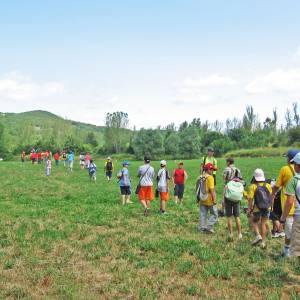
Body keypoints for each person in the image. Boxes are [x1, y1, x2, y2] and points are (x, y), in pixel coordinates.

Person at [273, 149, 299, 257]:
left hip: (289, 207)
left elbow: (277, 185)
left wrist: (272, 194)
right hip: (297, 206)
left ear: (290, 159)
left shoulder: (285, 169)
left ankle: (287, 251)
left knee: (288, 231)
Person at [280, 152, 300, 265]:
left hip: (298, 215)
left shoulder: (295, 180)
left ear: (297, 165)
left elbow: (290, 201)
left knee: (297, 247)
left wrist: (282, 217)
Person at [247, 169, 272, 249]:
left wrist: (249, 208)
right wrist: (272, 206)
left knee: (254, 221)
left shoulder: (253, 186)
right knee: (263, 223)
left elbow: (250, 199)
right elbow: (271, 197)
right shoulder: (268, 185)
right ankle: (263, 242)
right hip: (267, 207)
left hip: (257, 208)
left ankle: (258, 235)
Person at [223, 164, 244, 241]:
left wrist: (223, 201)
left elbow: (224, 191)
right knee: (237, 217)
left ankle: (231, 234)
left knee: (229, 217)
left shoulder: (229, 182)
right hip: (237, 201)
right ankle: (239, 234)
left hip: (228, 200)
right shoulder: (240, 183)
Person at [197, 163, 218, 233]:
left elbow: (197, 188)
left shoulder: (200, 177)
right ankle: (208, 227)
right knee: (215, 214)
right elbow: (212, 190)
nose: (213, 171)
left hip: (202, 198)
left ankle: (201, 228)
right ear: (208, 169)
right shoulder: (210, 178)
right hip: (209, 199)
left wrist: (198, 198)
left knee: (202, 214)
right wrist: (214, 200)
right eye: (212, 169)